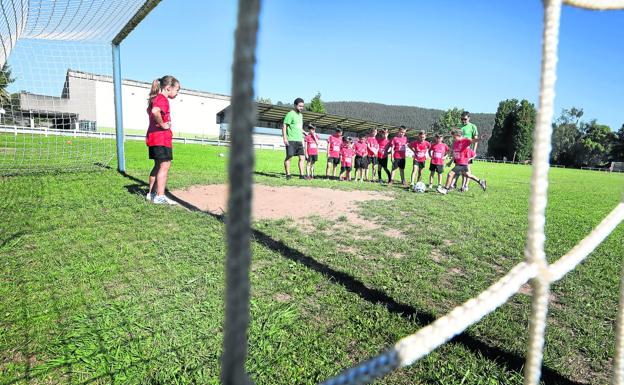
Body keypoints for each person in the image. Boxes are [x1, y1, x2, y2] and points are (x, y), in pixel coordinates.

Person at [146, 75, 180, 205]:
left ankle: (151, 194)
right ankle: (160, 196)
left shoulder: (154, 98)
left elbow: (150, 110)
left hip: (154, 138)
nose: (177, 93)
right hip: (161, 139)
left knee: (157, 166)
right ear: (168, 88)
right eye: (177, 90)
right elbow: (155, 111)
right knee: (165, 165)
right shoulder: (162, 99)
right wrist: (163, 124)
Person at [437, 129, 487, 194]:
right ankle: (480, 181)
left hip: (463, 163)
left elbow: (473, 140)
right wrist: (450, 162)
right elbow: (455, 154)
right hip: (458, 163)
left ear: (458, 135)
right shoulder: (455, 143)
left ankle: (445, 189)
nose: (453, 138)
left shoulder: (465, 140)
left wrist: (480, 138)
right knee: (468, 174)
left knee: (450, 174)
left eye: (454, 137)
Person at [453, 111, 479, 189]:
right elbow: (455, 138)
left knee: (467, 169)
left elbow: (476, 140)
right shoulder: (458, 126)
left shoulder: (473, 126)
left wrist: (474, 151)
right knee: (457, 168)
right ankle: (453, 184)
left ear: (469, 118)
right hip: (459, 151)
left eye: (465, 119)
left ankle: (465, 186)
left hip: (467, 151)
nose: (463, 121)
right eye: (462, 119)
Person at [282, 98, 305, 180]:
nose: (301, 108)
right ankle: (288, 174)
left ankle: (302, 175)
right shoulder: (290, 114)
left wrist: (304, 132)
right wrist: (285, 138)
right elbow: (284, 126)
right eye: (300, 106)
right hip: (291, 139)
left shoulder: (301, 115)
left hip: (299, 140)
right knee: (289, 157)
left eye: (302, 106)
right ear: (295, 105)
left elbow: (298, 127)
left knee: (302, 158)